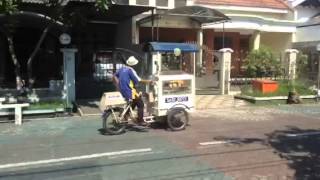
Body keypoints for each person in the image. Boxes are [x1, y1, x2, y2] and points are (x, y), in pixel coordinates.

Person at [113, 56, 152, 126]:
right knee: (140, 104)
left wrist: (118, 83)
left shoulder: (122, 69)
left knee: (133, 102)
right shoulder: (130, 70)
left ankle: (126, 115)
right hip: (129, 91)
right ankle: (140, 120)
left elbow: (114, 75)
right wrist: (148, 81)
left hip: (122, 90)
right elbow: (137, 80)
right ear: (134, 64)